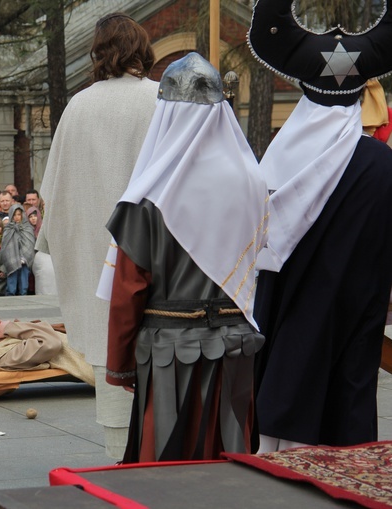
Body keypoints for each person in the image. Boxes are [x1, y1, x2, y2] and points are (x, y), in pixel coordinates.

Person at [100, 53, 268, 462]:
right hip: (236, 345)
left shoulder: (149, 196)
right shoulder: (253, 183)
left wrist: (119, 365)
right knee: (229, 458)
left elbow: (129, 290)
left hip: (168, 351)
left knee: (166, 467)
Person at [248, 0, 392, 451]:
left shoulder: (277, 164)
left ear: (306, 93)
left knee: (290, 379)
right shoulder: (382, 164)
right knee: (347, 404)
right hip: (357, 312)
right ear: (360, 96)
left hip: (289, 311)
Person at [36, 12, 159, 459]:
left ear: (99, 51)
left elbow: (54, 190)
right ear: (142, 49)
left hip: (97, 256)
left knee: (112, 355)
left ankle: (116, 457)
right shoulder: (161, 99)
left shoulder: (79, 105)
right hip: (155, 261)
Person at [0, 204, 35, 296]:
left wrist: (24, 257)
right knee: (12, 281)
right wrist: (12, 257)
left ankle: (23, 295)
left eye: (18, 214)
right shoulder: (8, 229)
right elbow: (6, 246)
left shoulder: (28, 228)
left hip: (24, 260)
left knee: (24, 281)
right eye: (14, 215)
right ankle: (10, 296)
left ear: (22, 215)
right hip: (12, 259)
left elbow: (29, 244)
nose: (16, 217)